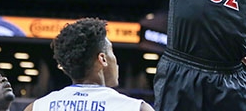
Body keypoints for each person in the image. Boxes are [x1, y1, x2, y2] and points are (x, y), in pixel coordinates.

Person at [23, 18, 154, 111]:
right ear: (102, 59)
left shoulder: (37, 107)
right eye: (111, 52)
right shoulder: (136, 108)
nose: (116, 61)